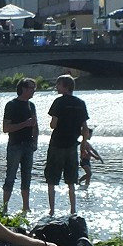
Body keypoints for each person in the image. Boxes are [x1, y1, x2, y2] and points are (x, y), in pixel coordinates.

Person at [45, 74, 90, 216]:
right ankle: (73, 210)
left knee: (52, 178)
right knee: (71, 179)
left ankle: (52, 210)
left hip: (57, 143)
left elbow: (53, 124)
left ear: (64, 86)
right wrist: (83, 145)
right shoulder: (80, 103)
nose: (56, 87)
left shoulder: (58, 102)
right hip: (72, 145)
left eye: (58, 85)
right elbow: (85, 128)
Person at [1, 76, 38, 212]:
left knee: (26, 177)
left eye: (34, 88)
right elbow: (6, 128)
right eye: (31, 88)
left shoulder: (31, 105)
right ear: (23, 89)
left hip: (28, 145)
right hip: (15, 145)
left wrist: (35, 141)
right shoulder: (11, 105)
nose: (33, 91)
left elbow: (35, 125)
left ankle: (25, 208)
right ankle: (5, 208)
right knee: (10, 176)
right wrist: (25, 124)